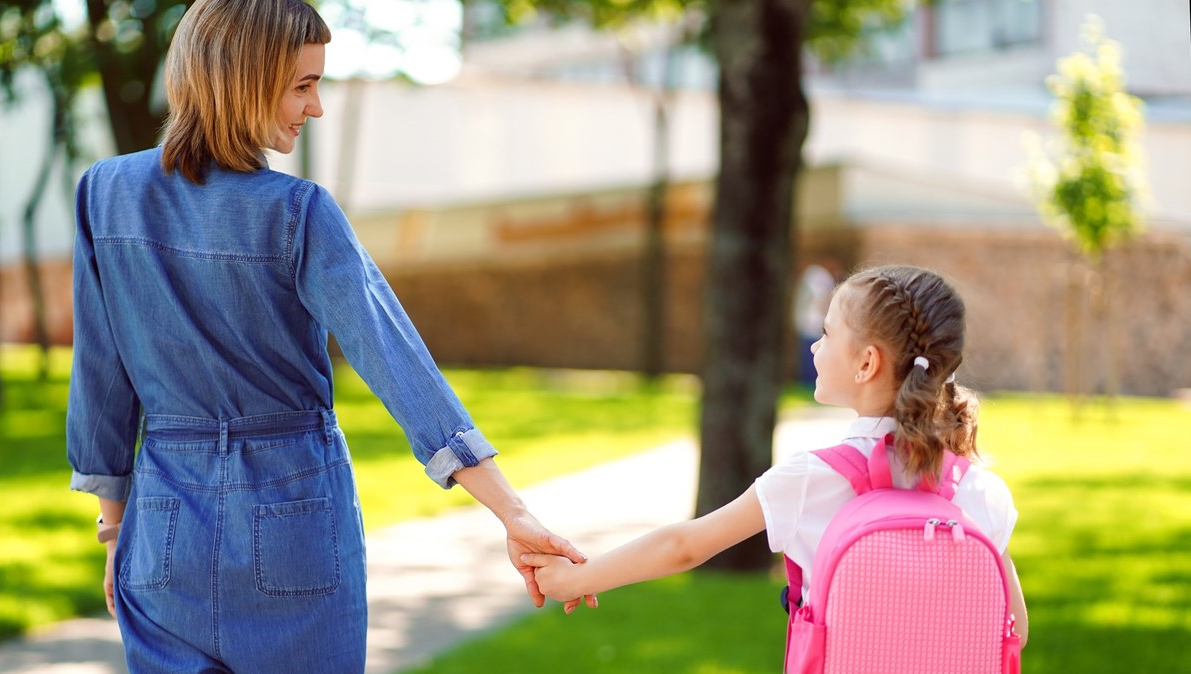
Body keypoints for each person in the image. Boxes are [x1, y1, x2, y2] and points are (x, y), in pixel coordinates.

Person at [65, 1, 588, 671]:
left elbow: (99, 379)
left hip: (164, 534)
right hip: (292, 519)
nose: (314, 108)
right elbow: (395, 361)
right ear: (244, 81)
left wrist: (116, 531)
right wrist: (512, 513)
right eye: (303, 85)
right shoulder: (297, 212)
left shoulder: (101, 193)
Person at [525, 265, 1029, 644]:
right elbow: (1015, 630)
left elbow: (684, 546)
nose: (813, 346)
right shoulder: (979, 490)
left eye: (826, 333)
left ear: (866, 363)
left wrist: (575, 578)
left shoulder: (814, 479)